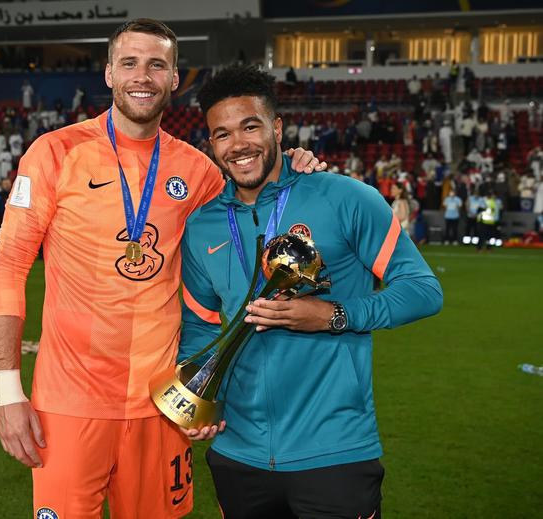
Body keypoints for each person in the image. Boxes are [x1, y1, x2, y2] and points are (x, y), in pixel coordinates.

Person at [0, 19, 324, 519]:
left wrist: (291, 168)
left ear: (174, 78)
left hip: (163, 404)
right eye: (130, 63)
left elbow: (255, 229)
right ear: (109, 74)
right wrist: (7, 392)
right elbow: (9, 267)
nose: (142, 76)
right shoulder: (55, 153)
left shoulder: (198, 172)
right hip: (69, 402)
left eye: (156, 65)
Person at [179, 64, 443, 519]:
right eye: (222, 134)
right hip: (237, 454)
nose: (238, 144)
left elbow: (423, 290)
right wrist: (200, 399)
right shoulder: (202, 225)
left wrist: (333, 315)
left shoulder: (346, 198)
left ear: (277, 128)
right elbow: (198, 325)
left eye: (250, 126)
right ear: (212, 143)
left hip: (334, 452)